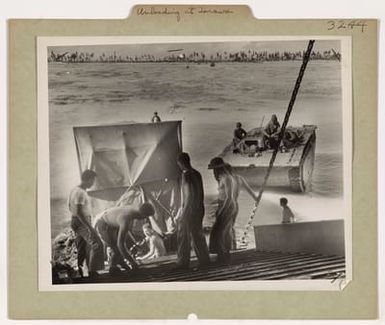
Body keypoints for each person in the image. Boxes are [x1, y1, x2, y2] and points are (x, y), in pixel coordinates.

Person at [208, 157, 258, 264]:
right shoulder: (238, 178)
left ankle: (224, 255)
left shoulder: (226, 179)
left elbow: (228, 198)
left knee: (221, 231)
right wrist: (256, 199)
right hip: (233, 205)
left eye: (214, 171)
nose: (213, 174)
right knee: (228, 230)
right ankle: (228, 251)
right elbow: (250, 192)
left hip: (227, 205)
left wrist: (221, 210)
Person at [94, 203, 155, 274]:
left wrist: (134, 242)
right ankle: (113, 267)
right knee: (117, 248)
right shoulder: (126, 218)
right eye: (146, 216)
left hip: (110, 222)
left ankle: (120, 262)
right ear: (142, 215)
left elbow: (126, 230)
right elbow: (120, 244)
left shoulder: (133, 210)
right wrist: (133, 263)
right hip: (102, 223)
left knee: (123, 245)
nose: (145, 219)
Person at [174, 152, 210, 269]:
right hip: (199, 208)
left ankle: (182, 263)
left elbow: (189, 195)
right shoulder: (197, 173)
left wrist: (184, 212)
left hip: (189, 209)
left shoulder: (186, 175)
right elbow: (201, 193)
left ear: (180, 163)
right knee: (197, 235)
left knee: (183, 236)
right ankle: (205, 261)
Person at [68, 169, 104, 277]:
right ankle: (92, 271)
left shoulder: (74, 190)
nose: (93, 184)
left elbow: (70, 207)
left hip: (75, 220)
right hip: (81, 221)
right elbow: (79, 212)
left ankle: (80, 273)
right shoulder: (80, 192)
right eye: (92, 181)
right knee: (97, 243)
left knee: (83, 248)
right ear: (88, 179)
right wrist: (89, 227)